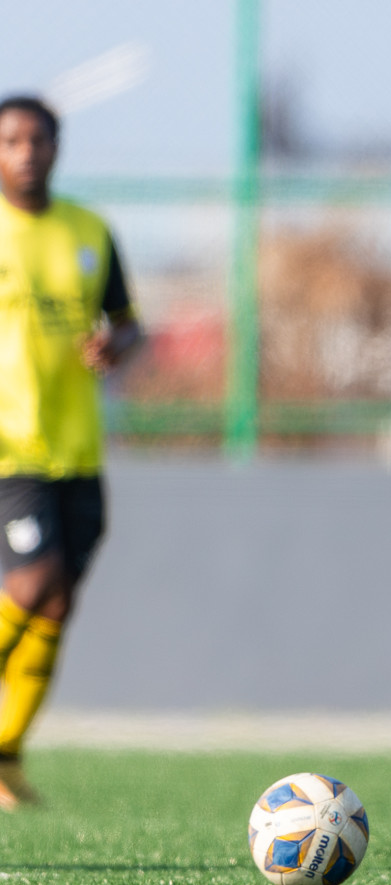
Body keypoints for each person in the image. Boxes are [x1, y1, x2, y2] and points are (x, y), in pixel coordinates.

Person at [0, 95, 142, 809]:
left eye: (39, 139)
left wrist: (116, 343)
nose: (27, 152)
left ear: (57, 148)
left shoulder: (88, 230)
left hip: (77, 445)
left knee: (55, 603)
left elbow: (130, 325)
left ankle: (5, 757)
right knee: (34, 579)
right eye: (12, 140)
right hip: (8, 444)